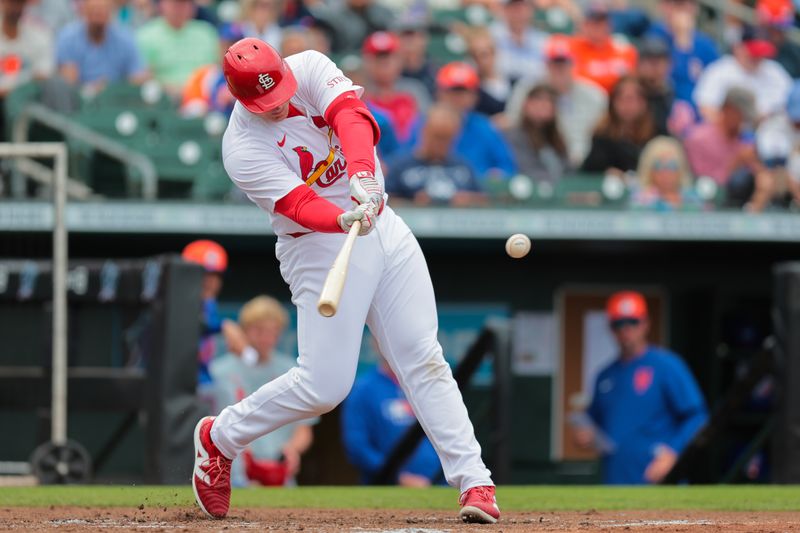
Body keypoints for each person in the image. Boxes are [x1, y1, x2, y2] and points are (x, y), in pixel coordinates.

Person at [191, 38, 499, 524]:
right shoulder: (242, 147)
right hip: (316, 244)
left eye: (281, 95)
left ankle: (474, 481)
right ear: (242, 100)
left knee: (423, 355)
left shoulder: (309, 65)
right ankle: (220, 437)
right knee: (325, 386)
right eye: (267, 104)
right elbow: (296, 205)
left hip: (380, 218)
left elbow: (352, 116)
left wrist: (363, 175)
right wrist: (340, 218)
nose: (280, 106)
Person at [572, 291, 708, 484]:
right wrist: (585, 436)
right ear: (611, 328)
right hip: (615, 480)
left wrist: (672, 453)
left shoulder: (667, 365)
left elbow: (697, 416)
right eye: (618, 324)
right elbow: (595, 426)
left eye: (632, 322)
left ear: (645, 323)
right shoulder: (604, 375)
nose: (626, 330)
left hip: (658, 480)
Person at [210, 296, 315, 487]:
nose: (266, 338)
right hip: (235, 473)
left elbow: (304, 428)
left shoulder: (292, 371)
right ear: (244, 330)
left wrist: (292, 450)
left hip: (279, 472)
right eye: (259, 331)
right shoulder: (219, 371)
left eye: (272, 332)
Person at [505, 35, 607, 167]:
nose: (559, 69)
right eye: (554, 63)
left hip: (586, 163)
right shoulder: (527, 89)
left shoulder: (594, 96)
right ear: (546, 64)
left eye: (564, 63)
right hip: (540, 160)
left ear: (573, 64)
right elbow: (512, 124)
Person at [342, 357, 443, 487]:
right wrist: (398, 477)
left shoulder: (430, 383)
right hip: (387, 486)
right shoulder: (363, 389)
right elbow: (356, 446)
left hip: (441, 484)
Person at [683, 87, 774, 212]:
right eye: (742, 116)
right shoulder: (699, 138)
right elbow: (704, 188)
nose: (744, 122)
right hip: (705, 209)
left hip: (740, 209)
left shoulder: (745, 141)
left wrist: (760, 173)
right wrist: (736, 163)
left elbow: (754, 180)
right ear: (729, 110)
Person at [430, 61, 516, 183]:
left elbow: (507, 167)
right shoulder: (426, 125)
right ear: (439, 93)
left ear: (474, 96)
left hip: (479, 196)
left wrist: (495, 176)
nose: (457, 98)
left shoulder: (485, 127)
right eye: (453, 91)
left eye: (463, 92)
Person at [387, 104, 486, 206]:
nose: (441, 143)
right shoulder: (400, 166)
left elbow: (484, 199)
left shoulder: (463, 166)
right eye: (437, 136)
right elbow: (385, 202)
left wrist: (467, 199)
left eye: (447, 138)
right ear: (424, 131)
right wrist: (412, 203)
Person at [693, 26, 792, 124]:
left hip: (769, 131)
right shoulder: (720, 70)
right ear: (738, 48)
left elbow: (792, 100)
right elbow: (705, 107)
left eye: (761, 53)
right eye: (754, 53)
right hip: (731, 133)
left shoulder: (774, 71)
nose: (757, 58)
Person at [56, 0, 147, 93]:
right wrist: (91, 89)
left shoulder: (125, 38)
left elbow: (138, 75)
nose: (98, 16)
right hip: (78, 98)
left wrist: (114, 87)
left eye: (102, 11)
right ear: (84, 11)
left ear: (111, 12)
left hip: (115, 97)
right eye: (94, 11)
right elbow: (68, 80)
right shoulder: (68, 37)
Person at [361, 31, 429, 146]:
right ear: (367, 62)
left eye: (388, 57)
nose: (384, 62)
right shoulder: (359, 93)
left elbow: (427, 128)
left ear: (399, 60)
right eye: (378, 57)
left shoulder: (415, 90)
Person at [645, 0, 719, 106]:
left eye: (690, 3)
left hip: (698, 112)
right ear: (663, 6)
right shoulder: (654, 35)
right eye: (678, 3)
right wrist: (682, 40)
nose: (684, 10)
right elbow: (664, 81)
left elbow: (715, 85)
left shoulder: (705, 44)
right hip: (663, 107)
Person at [135, 0, 219, 93]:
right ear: (161, 4)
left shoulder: (206, 32)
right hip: (163, 100)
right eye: (175, 3)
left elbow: (216, 70)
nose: (180, 7)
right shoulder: (146, 35)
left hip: (203, 97)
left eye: (185, 3)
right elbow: (142, 77)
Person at [581, 76, 657, 174]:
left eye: (630, 99)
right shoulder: (602, 135)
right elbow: (589, 170)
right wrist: (606, 172)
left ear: (643, 102)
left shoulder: (655, 132)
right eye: (620, 99)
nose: (625, 105)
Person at [0, 0, 53, 138]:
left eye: (19, 3)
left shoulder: (38, 34)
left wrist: (12, 90)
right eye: (11, 3)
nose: (15, 8)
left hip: (27, 105)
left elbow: (43, 75)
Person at [181, 239, 228, 393]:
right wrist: (224, 327)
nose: (210, 281)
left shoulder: (209, 304)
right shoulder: (175, 301)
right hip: (177, 388)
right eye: (204, 274)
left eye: (216, 275)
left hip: (203, 386)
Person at [503, 84, 569, 183]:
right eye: (538, 100)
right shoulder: (514, 136)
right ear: (526, 104)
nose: (543, 105)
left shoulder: (556, 139)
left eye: (549, 101)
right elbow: (525, 169)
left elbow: (569, 170)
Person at [569, 0, 637, 94]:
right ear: (584, 25)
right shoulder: (572, 48)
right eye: (594, 22)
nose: (599, 26)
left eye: (602, 21)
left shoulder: (624, 49)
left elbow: (631, 82)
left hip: (617, 102)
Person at [630, 136, 703, 211]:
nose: (665, 173)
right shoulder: (640, 201)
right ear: (649, 170)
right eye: (659, 166)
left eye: (671, 166)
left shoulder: (692, 198)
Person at [489, 0, 547, 86]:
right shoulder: (491, 36)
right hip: (502, 92)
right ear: (504, 10)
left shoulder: (542, 41)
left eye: (523, 7)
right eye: (514, 7)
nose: (519, 13)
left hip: (532, 93)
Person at [465, 26, 509, 120]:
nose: (480, 60)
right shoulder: (470, 91)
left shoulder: (511, 82)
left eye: (484, 54)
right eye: (474, 55)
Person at [756, 0, 800, 79]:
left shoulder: (793, 52)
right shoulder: (747, 44)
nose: (778, 33)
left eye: (781, 28)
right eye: (773, 28)